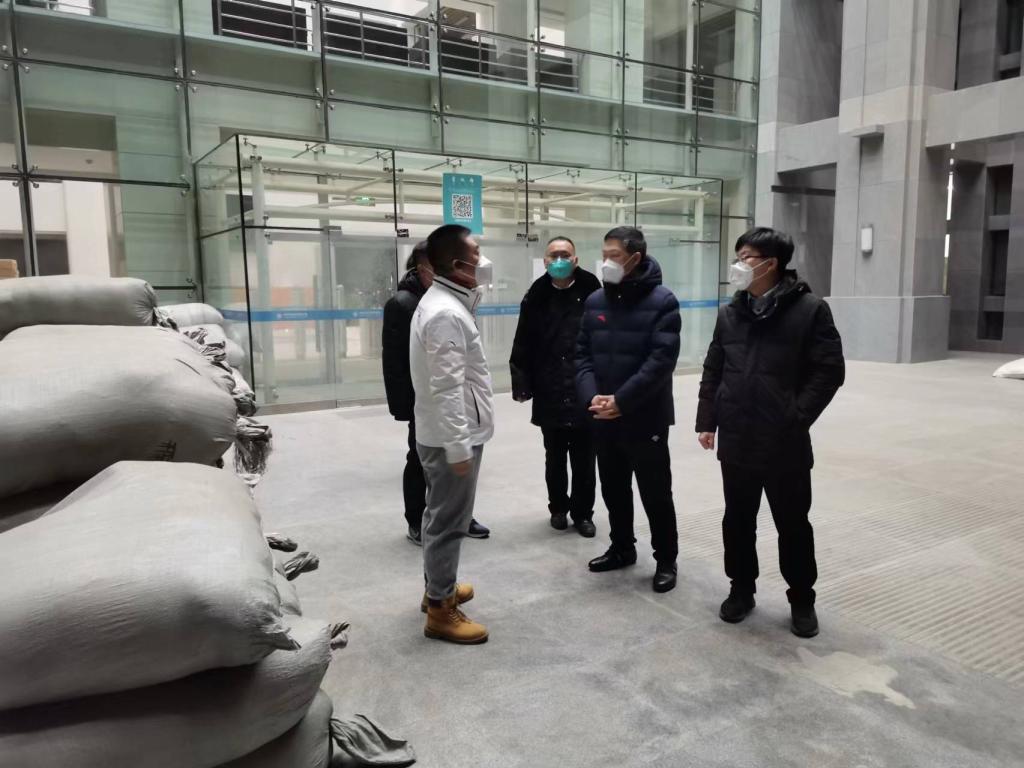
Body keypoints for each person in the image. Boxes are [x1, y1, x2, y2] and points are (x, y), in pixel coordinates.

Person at [696, 226, 845, 638]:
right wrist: (707, 419)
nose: (738, 265)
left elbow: (829, 370)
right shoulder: (730, 313)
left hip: (784, 442)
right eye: (739, 256)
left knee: (792, 524)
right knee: (737, 521)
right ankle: (741, 589)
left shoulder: (810, 309)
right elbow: (713, 367)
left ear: (771, 264)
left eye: (746, 257)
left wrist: (795, 416)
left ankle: (802, 599)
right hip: (737, 437)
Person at [576, 226, 681, 593]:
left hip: (644, 415)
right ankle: (622, 547)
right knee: (614, 487)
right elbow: (582, 354)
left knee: (655, 491)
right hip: (603, 415)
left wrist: (622, 401)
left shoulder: (663, 301)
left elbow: (660, 362)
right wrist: (592, 397)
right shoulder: (595, 301)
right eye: (604, 254)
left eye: (615, 256)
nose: (606, 262)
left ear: (636, 258)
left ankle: (666, 559)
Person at [410, 224, 495, 644]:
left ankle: (437, 587)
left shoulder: (446, 302)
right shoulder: (445, 313)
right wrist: (459, 445)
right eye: (477, 253)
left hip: (442, 431)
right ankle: (441, 611)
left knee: (438, 515)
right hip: (450, 436)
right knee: (449, 522)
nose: (484, 260)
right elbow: (447, 387)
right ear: (459, 265)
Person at [382, 243, 489, 545]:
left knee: (457, 463)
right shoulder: (404, 303)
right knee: (421, 461)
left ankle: (460, 516)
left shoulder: (454, 298)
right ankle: (417, 520)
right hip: (423, 398)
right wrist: (404, 405)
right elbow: (395, 361)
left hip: (457, 396)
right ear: (422, 268)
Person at [510, 236, 601, 537]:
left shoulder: (593, 292)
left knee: (585, 459)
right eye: (553, 255)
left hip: (585, 386)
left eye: (565, 254)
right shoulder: (536, 295)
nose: (559, 260)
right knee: (555, 456)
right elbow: (522, 341)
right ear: (545, 261)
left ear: (575, 260)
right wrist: (521, 383)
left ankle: (583, 514)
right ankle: (558, 509)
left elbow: (604, 340)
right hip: (549, 386)